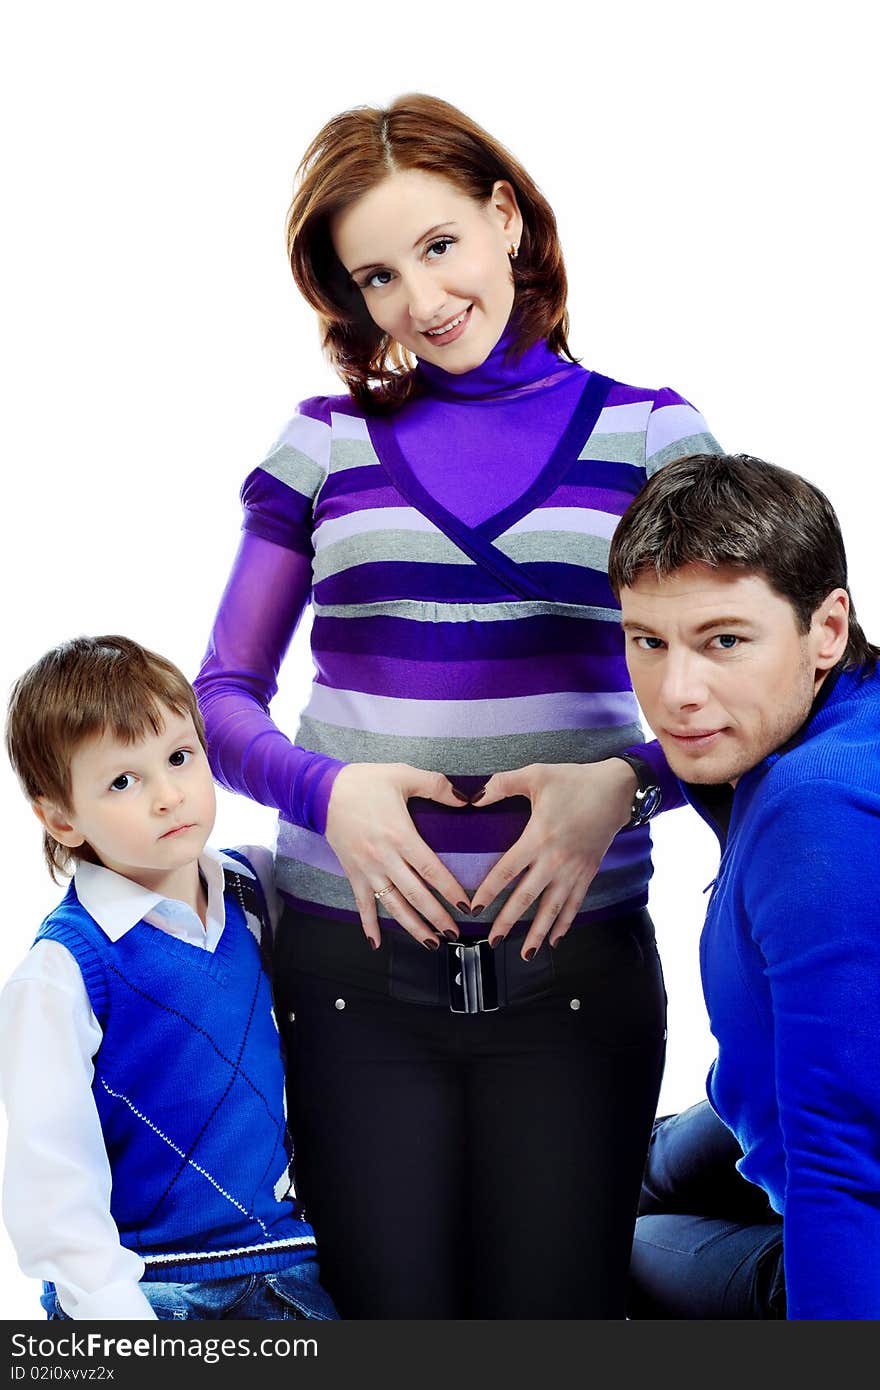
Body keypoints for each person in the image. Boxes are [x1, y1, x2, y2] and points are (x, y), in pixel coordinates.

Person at [194, 93, 723, 1319]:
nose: (419, 302)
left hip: (574, 973)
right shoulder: (321, 445)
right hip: (348, 975)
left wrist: (627, 782)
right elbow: (221, 697)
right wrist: (332, 794)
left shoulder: (652, 434)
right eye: (376, 276)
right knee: (390, 1324)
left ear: (504, 219)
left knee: (556, 1319)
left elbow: (740, 693)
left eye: (437, 246)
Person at [607, 452, 880, 1320]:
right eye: (649, 641)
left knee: (594, 1236)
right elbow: (715, 748)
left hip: (840, 1198)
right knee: (618, 1162)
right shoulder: (846, 712)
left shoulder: (814, 809)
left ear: (826, 628)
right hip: (754, 1091)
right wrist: (628, 779)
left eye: (724, 640)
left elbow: (841, 1159)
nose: (676, 695)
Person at [0, 635, 338, 1322]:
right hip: (153, 1291)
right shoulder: (66, 971)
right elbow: (51, 1177)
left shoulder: (253, 890)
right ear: (60, 817)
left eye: (180, 758)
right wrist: (118, 1319)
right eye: (123, 781)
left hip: (286, 1267)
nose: (168, 797)